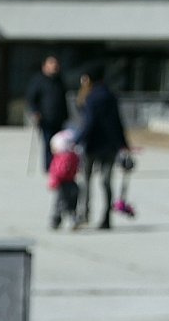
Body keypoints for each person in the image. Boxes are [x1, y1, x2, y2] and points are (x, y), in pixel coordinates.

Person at [72, 63, 129, 230]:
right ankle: (106, 217)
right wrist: (124, 144)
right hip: (110, 145)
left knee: (87, 180)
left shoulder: (91, 97)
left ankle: (85, 213)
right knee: (106, 181)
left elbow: (90, 123)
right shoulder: (110, 96)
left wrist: (77, 140)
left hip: (93, 144)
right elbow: (118, 121)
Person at [24, 55, 69, 173]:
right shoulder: (38, 81)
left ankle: (59, 165)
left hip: (59, 118)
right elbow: (31, 99)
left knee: (60, 144)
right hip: (45, 119)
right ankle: (49, 166)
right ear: (45, 66)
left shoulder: (59, 80)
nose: (54, 67)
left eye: (56, 64)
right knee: (48, 143)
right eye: (51, 64)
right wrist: (35, 112)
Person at [46, 129, 80, 231]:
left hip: (62, 183)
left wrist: (54, 181)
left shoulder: (60, 158)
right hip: (72, 182)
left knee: (60, 203)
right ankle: (71, 218)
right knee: (71, 203)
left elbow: (57, 172)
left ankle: (56, 220)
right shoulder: (74, 156)